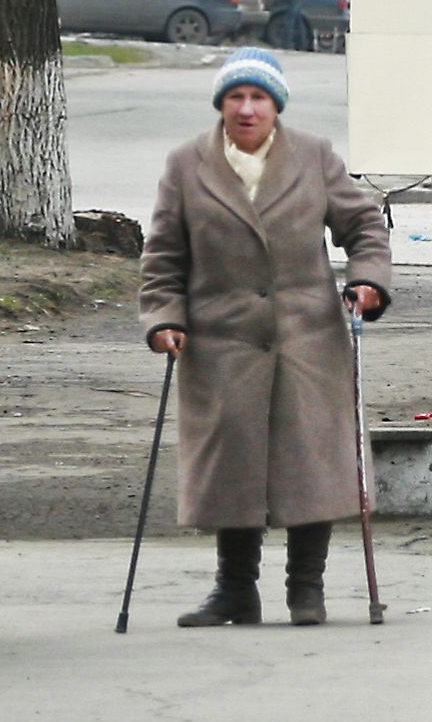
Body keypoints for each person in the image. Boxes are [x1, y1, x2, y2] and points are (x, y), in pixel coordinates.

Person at [140, 47, 390, 627]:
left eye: (259, 98)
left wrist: (368, 281)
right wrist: (162, 317)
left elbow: (363, 226)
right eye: (236, 97)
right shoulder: (186, 165)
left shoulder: (314, 157)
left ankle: (307, 589)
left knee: (310, 461)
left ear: (276, 105)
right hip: (220, 339)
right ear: (221, 104)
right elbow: (163, 256)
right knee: (234, 464)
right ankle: (235, 591)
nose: (247, 109)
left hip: (308, 336)